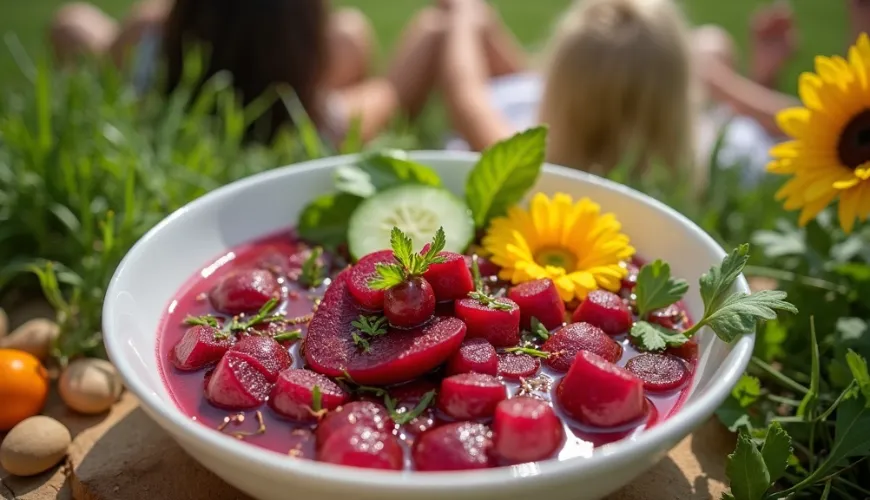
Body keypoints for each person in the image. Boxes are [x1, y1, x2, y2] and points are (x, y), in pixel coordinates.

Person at [47, 0, 443, 144]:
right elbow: (391, 91)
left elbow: (70, 28)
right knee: (354, 36)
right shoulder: (322, 125)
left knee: (73, 24)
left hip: (164, 101)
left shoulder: (147, 31)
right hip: (301, 122)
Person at [438, 0, 701, 187]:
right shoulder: (691, 166)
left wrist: (463, 14)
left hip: (506, 107)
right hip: (518, 96)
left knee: (435, 29)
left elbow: (465, 94)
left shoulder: (530, 168)